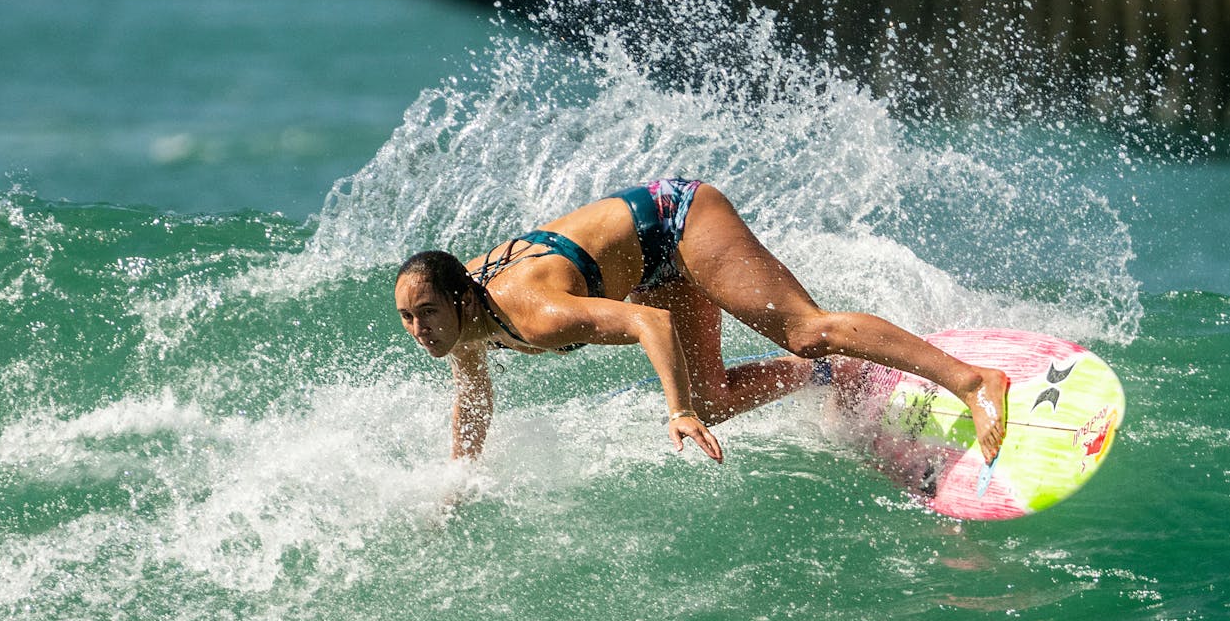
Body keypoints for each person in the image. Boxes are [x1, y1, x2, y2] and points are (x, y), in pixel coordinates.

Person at [394, 179, 1008, 464]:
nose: (421, 329)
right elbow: (473, 400)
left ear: (463, 301)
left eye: (427, 313)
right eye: (408, 318)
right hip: (649, 265)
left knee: (801, 327)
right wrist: (461, 485)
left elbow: (647, 325)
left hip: (677, 221)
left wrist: (675, 411)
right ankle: (830, 374)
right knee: (712, 396)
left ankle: (973, 380)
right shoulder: (462, 316)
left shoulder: (534, 316)